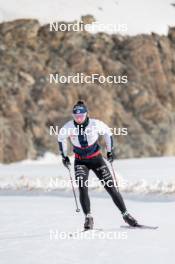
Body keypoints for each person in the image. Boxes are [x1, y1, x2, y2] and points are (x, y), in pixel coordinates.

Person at [58, 100, 137, 230]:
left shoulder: (95, 124)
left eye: (81, 116)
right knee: (82, 187)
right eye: (76, 117)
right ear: (73, 116)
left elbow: (108, 133)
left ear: (86, 114)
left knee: (111, 187)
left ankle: (126, 215)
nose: (79, 119)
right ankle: (88, 218)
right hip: (80, 161)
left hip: (96, 159)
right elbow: (61, 139)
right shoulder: (68, 127)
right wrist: (64, 156)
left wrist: (110, 151)